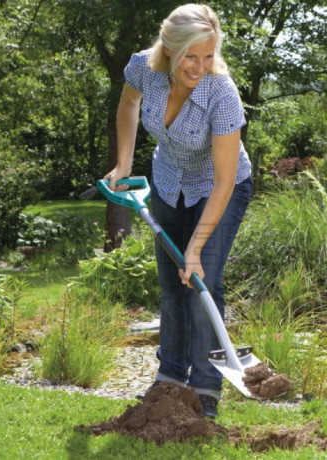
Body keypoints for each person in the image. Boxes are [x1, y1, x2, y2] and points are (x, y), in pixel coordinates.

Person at [104, 3, 252, 419]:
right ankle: (169, 381)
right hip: (169, 182)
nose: (200, 66)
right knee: (171, 287)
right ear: (169, 47)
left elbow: (224, 181)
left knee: (204, 281)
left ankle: (205, 389)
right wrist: (125, 164)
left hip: (220, 186)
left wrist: (196, 248)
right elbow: (128, 105)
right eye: (191, 55)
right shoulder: (143, 69)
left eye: (208, 56)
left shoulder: (221, 93)